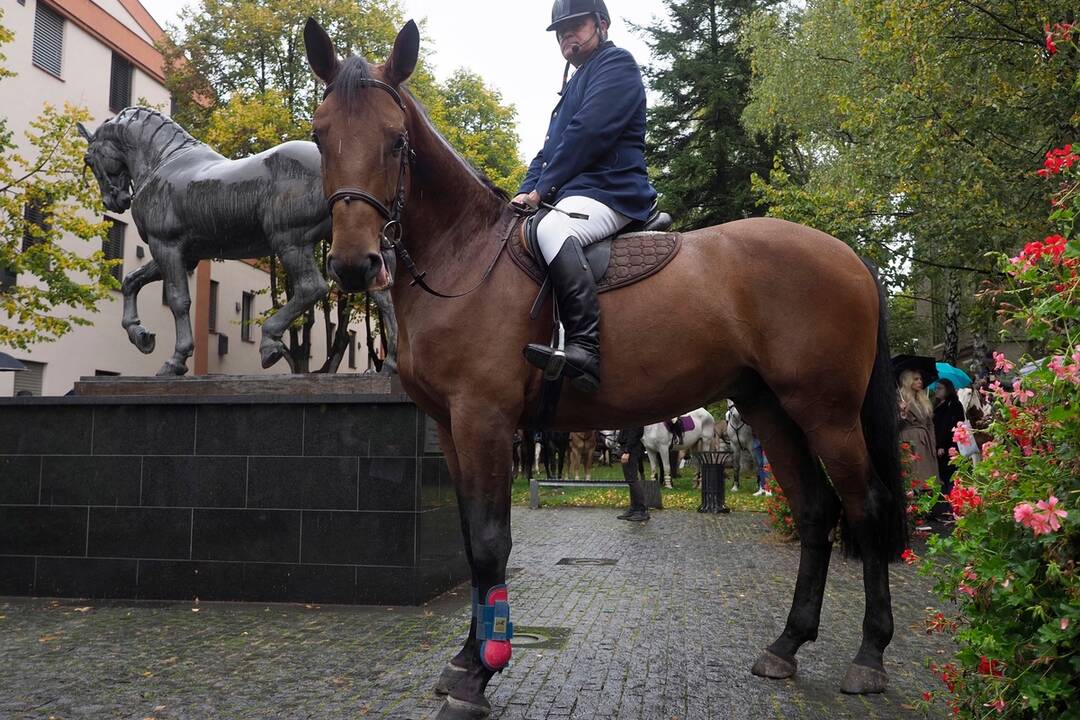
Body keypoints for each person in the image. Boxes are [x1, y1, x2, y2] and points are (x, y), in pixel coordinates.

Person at [515, 0, 658, 393]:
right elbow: (547, 153)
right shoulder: (572, 86)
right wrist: (523, 191)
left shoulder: (617, 66)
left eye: (575, 25)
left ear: (602, 24)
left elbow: (588, 135)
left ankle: (584, 348)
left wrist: (543, 190)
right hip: (578, 193)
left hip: (612, 190)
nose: (567, 35)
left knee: (552, 230)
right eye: (561, 31)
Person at [898, 369, 938, 490]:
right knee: (914, 477)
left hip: (925, 442)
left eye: (920, 379)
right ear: (908, 381)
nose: (920, 382)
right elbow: (892, 424)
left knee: (928, 478)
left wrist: (933, 442)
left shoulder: (923, 400)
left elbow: (930, 424)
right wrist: (902, 414)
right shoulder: (899, 399)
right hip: (909, 441)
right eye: (916, 379)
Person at [933, 379, 966, 498]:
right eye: (936, 388)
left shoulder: (953, 404)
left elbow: (950, 426)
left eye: (939, 388)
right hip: (939, 445)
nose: (936, 391)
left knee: (951, 475)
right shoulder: (938, 405)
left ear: (947, 389)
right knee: (944, 476)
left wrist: (942, 444)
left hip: (949, 445)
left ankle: (952, 503)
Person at [615, 425, 650, 521]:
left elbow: (634, 432)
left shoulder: (635, 418)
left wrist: (627, 451)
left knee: (633, 480)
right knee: (630, 480)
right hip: (627, 446)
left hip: (630, 448)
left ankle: (641, 510)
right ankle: (634, 508)